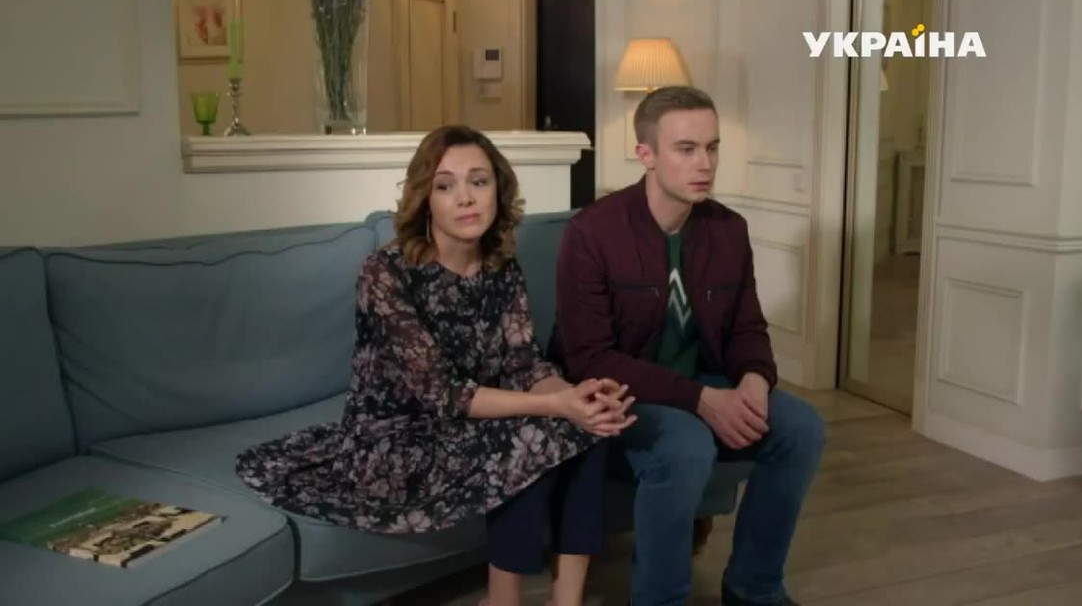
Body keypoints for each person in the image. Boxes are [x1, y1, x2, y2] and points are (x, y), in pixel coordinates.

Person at [236, 125, 637, 606]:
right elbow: (443, 394)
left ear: (498, 190)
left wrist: (577, 398)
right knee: (535, 433)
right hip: (395, 441)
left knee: (590, 426)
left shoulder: (501, 267)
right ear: (425, 198)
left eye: (479, 182)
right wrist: (556, 405)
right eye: (446, 186)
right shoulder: (385, 272)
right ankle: (502, 600)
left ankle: (566, 600)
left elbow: (524, 363)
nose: (465, 198)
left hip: (468, 427)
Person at [547, 86, 826, 606]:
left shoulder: (728, 230)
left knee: (802, 428)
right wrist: (701, 400)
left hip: (702, 384)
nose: (705, 163)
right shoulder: (593, 232)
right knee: (684, 444)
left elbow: (747, 328)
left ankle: (755, 588)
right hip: (617, 397)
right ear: (646, 154)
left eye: (712, 147)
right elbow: (590, 358)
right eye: (686, 149)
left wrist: (755, 381)